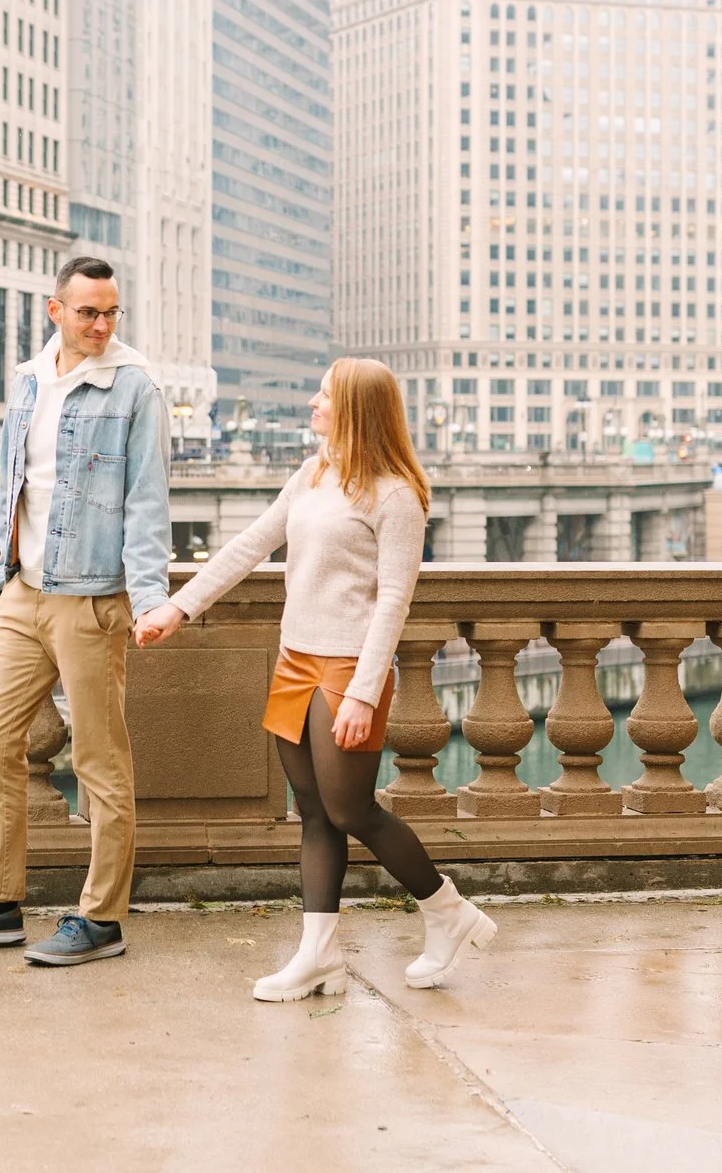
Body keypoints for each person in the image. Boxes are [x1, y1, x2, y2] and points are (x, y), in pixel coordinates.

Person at [134, 358, 496, 1001]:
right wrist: (178, 608)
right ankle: (319, 956)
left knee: (349, 808)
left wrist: (363, 690)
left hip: (347, 667)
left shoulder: (396, 496)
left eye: (325, 395)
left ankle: (447, 911)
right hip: (294, 660)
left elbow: (394, 601)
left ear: (355, 407)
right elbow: (248, 546)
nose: (313, 402)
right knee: (313, 813)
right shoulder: (313, 474)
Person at [0, 257, 170, 967]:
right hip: (24, 592)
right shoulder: (29, 379)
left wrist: (149, 597)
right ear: (56, 310)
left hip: (91, 597)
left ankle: (102, 917)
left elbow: (149, 502)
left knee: (100, 762)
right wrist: (6, 567)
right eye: (88, 311)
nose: (101, 325)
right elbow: (19, 482)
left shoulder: (136, 386)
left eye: (111, 312)